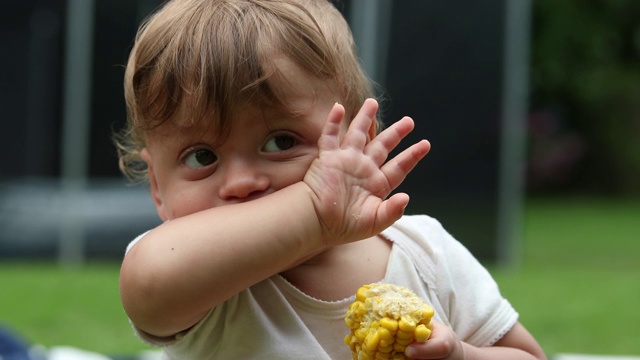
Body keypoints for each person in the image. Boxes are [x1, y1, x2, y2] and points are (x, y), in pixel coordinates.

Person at [115, 0, 547, 359]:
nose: (242, 182)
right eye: (202, 156)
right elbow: (147, 282)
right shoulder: (198, 282)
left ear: (359, 142)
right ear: (157, 185)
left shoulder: (425, 254)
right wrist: (313, 214)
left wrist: (460, 356)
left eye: (281, 141)